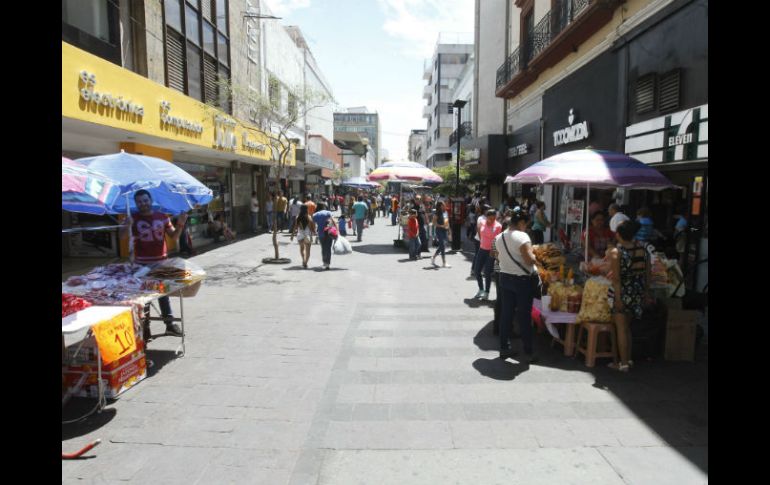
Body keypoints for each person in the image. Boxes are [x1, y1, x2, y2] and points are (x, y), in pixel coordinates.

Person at [121, 190, 186, 338]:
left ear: (150, 200)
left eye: (145, 200)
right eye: (139, 202)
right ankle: (145, 328)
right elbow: (122, 236)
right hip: (141, 265)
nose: (143, 204)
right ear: (136, 203)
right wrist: (126, 226)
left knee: (163, 293)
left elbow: (174, 237)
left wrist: (181, 224)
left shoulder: (163, 217)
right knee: (145, 297)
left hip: (161, 263)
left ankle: (169, 325)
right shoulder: (132, 218)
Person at [494, 206, 539, 363]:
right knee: (524, 316)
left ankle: (504, 347)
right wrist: (534, 254)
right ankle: (528, 350)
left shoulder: (499, 237)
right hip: (522, 280)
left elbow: (496, 255)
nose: (526, 227)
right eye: (526, 224)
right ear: (520, 222)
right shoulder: (522, 236)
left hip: (505, 278)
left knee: (506, 314)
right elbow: (529, 260)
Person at [606, 220, 651, 372]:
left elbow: (616, 279)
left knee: (621, 327)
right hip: (637, 291)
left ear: (618, 234)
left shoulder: (616, 252)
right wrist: (645, 292)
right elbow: (647, 274)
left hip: (623, 292)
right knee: (627, 327)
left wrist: (618, 299)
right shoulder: (643, 250)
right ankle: (628, 359)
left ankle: (623, 363)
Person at [473, 209, 503, 300]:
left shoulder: (498, 226)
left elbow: (498, 239)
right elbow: (479, 230)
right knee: (477, 270)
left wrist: (493, 250)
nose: (491, 220)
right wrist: (482, 241)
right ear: (486, 217)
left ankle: (486, 292)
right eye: (490, 218)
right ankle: (481, 289)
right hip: (482, 249)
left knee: (487, 272)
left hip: (491, 251)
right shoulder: (482, 222)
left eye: (494, 218)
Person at [312, 202, 337, 270]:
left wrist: (314, 231)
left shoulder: (315, 214)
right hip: (329, 232)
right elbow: (334, 221)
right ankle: (328, 264)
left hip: (321, 233)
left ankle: (324, 262)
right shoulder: (328, 212)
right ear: (324, 207)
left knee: (323, 248)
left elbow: (313, 224)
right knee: (328, 248)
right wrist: (337, 230)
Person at [291, 204, 316, 269]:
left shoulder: (297, 217)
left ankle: (303, 259)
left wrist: (292, 235)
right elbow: (312, 227)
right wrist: (314, 232)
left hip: (300, 235)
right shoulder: (309, 217)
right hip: (307, 235)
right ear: (307, 210)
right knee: (308, 251)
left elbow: (295, 227)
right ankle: (305, 262)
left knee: (302, 249)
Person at [431, 201, 451, 268]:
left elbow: (447, 222)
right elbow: (433, 223)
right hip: (439, 230)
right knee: (442, 245)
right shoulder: (437, 213)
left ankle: (433, 257)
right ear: (439, 206)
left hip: (445, 230)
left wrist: (449, 231)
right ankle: (444, 262)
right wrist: (440, 226)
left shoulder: (445, 212)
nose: (444, 206)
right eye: (442, 205)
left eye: (444, 205)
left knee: (442, 246)